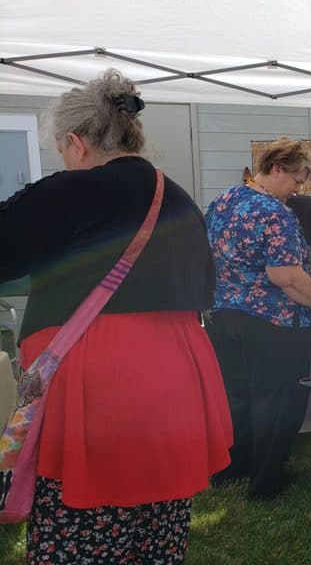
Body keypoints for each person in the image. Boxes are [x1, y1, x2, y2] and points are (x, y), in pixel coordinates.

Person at [0, 69, 233, 562]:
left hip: (100, 385)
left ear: (76, 142)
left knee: (85, 525)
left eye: (62, 151)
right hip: (175, 381)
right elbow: (206, 287)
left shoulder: (70, 192)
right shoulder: (178, 199)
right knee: (157, 525)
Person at [205, 137, 311, 500]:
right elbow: (286, 276)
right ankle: (266, 480)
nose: (298, 189)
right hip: (271, 323)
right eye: (297, 180)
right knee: (275, 399)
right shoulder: (274, 212)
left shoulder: (223, 200)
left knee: (237, 395)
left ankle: (235, 466)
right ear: (275, 169)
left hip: (223, 316)